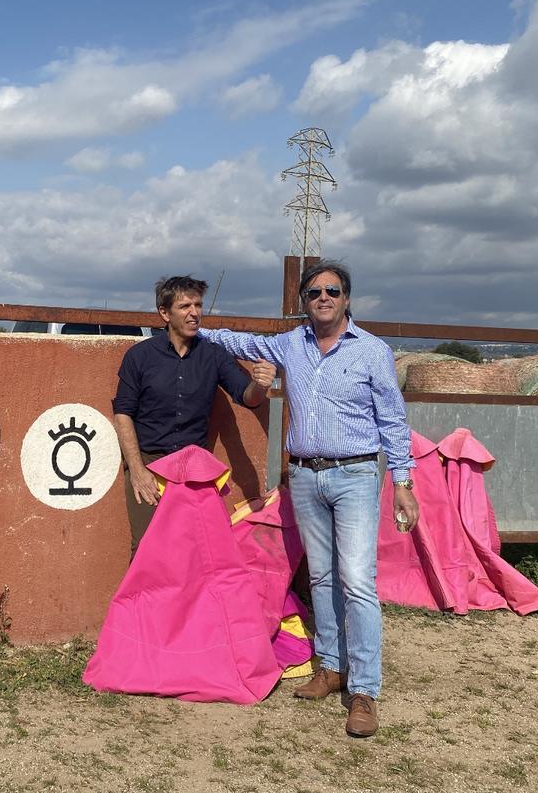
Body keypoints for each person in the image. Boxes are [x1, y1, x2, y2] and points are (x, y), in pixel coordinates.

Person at [199, 260, 419, 737]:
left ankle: (363, 690)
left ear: (347, 299)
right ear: (304, 300)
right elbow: (239, 342)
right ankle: (331, 667)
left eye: (333, 291)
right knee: (321, 577)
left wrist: (402, 482)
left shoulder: (372, 352)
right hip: (304, 476)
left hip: (356, 474)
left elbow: (393, 421)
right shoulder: (289, 344)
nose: (323, 297)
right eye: (314, 291)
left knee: (358, 580)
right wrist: (199, 325)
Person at [113, 275, 275, 557]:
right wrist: (137, 471)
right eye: (185, 306)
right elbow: (123, 414)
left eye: (198, 305)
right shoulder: (139, 356)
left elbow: (246, 397)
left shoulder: (213, 355)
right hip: (150, 464)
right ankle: (148, 604)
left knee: (193, 551)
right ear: (164, 313)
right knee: (147, 550)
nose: (194, 312)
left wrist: (260, 385)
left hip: (193, 469)